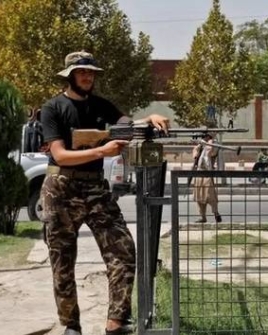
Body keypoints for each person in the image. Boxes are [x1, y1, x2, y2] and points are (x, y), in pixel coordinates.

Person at [39, 51, 170, 335]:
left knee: (123, 250)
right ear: (70, 75)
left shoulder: (101, 105)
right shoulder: (52, 108)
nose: (87, 77)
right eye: (81, 72)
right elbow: (60, 155)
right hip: (61, 188)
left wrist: (150, 118)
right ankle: (71, 325)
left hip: (96, 187)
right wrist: (102, 150)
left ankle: (116, 322)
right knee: (62, 262)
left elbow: (128, 125)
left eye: (91, 73)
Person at [192, 133, 222, 223]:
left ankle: (216, 214)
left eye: (206, 136)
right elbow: (195, 156)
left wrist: (209, 143)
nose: (204, 138)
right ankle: (202, 217)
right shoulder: (199, 146)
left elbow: (211, 152)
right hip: (199, 172)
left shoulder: (213, 145)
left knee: (210, 195)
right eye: (203, 136)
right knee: (199, 196)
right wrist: (199, 147)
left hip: (208, 173)